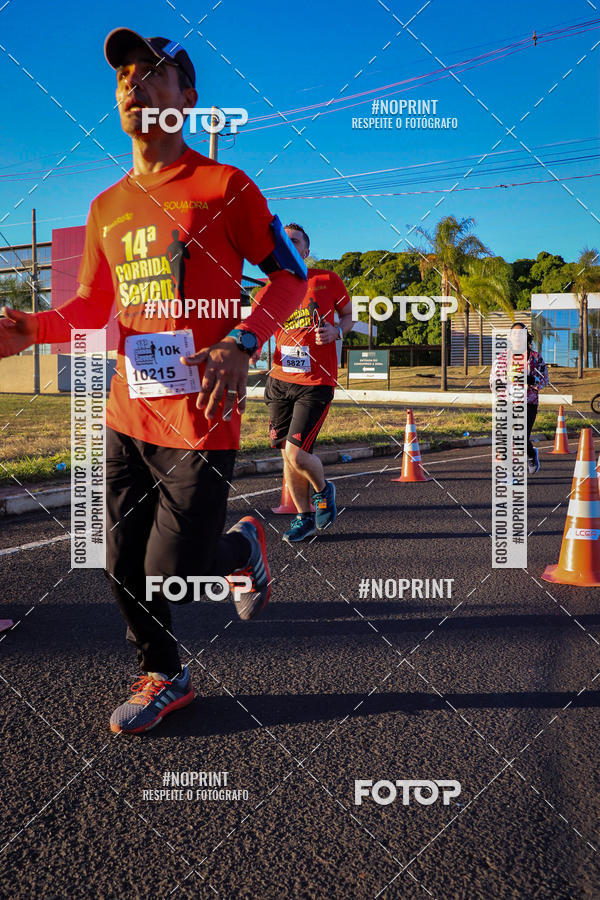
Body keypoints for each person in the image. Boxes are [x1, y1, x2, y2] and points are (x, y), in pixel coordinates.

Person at [0, 29, 308, 734]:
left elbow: (289, 276)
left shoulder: (226, 188)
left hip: (202, 418)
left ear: (188, 100)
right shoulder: (108, 205)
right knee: (119, 562)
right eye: (125, 77)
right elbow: (90, 308)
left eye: (154, 73)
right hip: (127, 414)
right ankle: (164, 675)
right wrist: (33, 330)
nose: (134, 84)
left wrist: (240, 340)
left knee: (176, 569)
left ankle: (240, 549)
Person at [257, 223, 354, 542]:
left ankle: (324, 491)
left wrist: (337, 332)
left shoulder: (327, 279)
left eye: (293, 240)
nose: (287, 243)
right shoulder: (267, 289)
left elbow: (348, 316)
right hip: (279, 380)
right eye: (281, 240)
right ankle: (303, 518)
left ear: (306, 250)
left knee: (297, 454)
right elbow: (257, 329)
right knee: (287, 454)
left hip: (315, 382)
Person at [490, 322, 549, 475]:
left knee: (520, 439)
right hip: (507, 402)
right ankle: (508, 474)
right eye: (514, 334)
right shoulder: (502, 357)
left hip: (528, 403)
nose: (517, 337)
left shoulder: (535, 358)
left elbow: (544, 381)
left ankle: (530, 454)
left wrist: (530, 379)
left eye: (521, 334)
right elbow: (493, 380)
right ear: (510, 337)